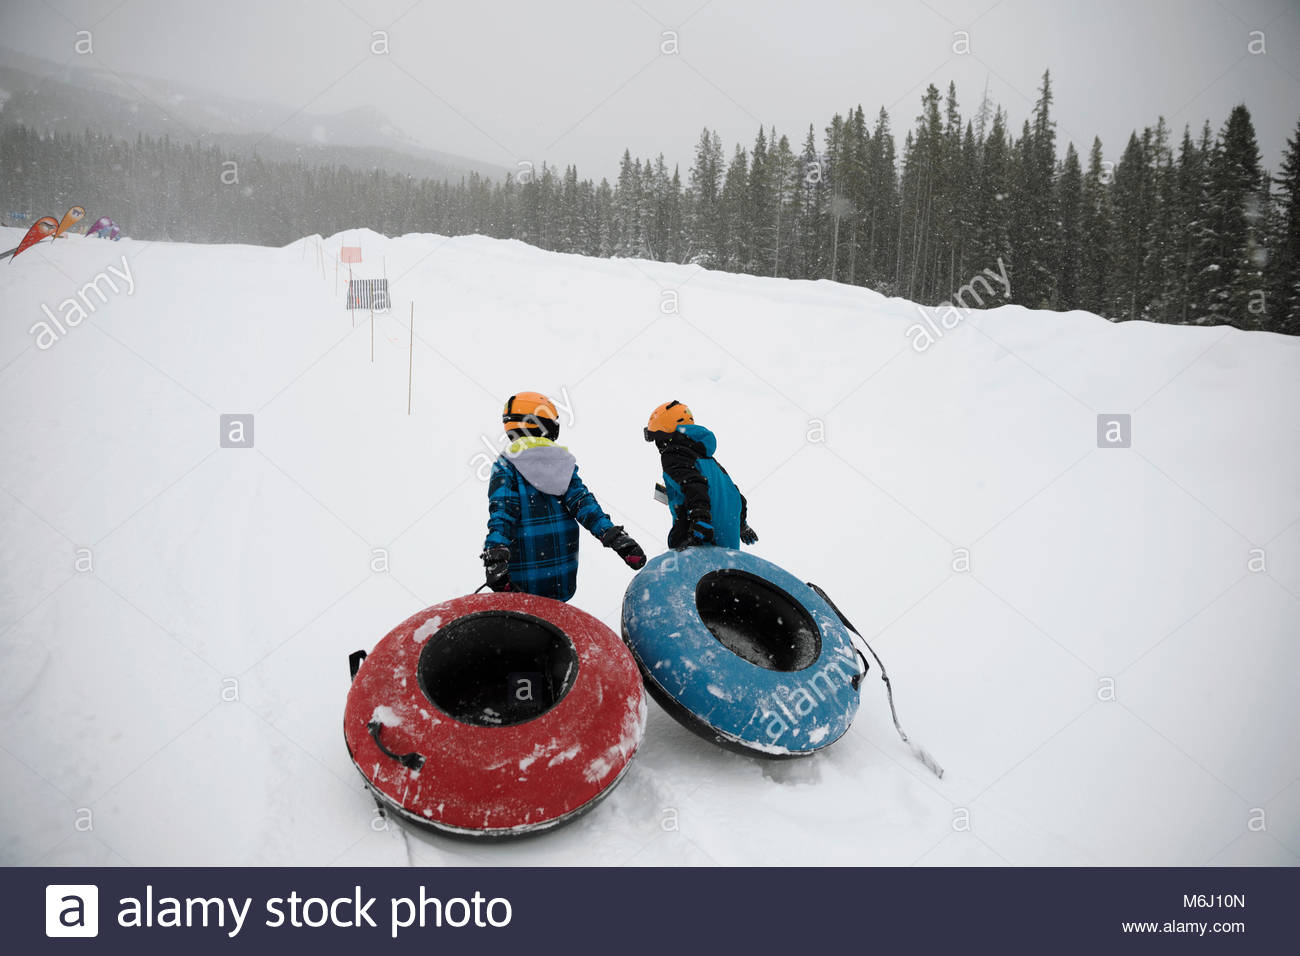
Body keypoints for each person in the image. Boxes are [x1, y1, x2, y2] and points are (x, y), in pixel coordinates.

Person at [482, 391, 645, 600]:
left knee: (530, 625)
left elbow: (502, 514)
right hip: (561, 574)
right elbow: (584, 505)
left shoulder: (506, 465)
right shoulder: (562, 462)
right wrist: (614, 536)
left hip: (524, 575)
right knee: (557, 621)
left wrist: (495, 553)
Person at [643, 400, 758, 550]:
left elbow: (694, 485)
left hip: (700, 544)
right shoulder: (709, 461)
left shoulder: (673, 454)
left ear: (665, 434)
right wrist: (741, 525)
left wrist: (700, 519)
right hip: (728, 552)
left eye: (657, 437)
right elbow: (736, 496)